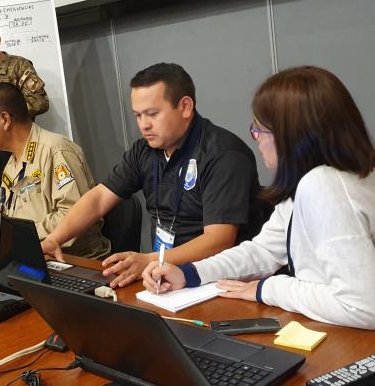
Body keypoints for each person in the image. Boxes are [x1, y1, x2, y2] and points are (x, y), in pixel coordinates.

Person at [142, 66, 375, 330]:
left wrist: (269, 288)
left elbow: (363, 306)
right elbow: (262, 251)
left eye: (260, 130)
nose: (255, 138)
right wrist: (188, 274)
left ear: (291, 135)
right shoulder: (327, 177)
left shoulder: (323, 185)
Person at [41, 63, 266, 287]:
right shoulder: (145, 150)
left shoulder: (222, 154)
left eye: (152, 114)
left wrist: (151, 260)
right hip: (162, 275)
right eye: (138, 115)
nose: (143, 125)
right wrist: (54, 239)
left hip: (217, 279)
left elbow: (219, 241)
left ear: (185, 106)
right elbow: (99, 198)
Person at [0, 82, 109, 259]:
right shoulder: (12, 162)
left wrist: (19, 237)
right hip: (31, 256)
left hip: (73, 261)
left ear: (5, 119)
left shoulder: (56, 151)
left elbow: (74, 213)